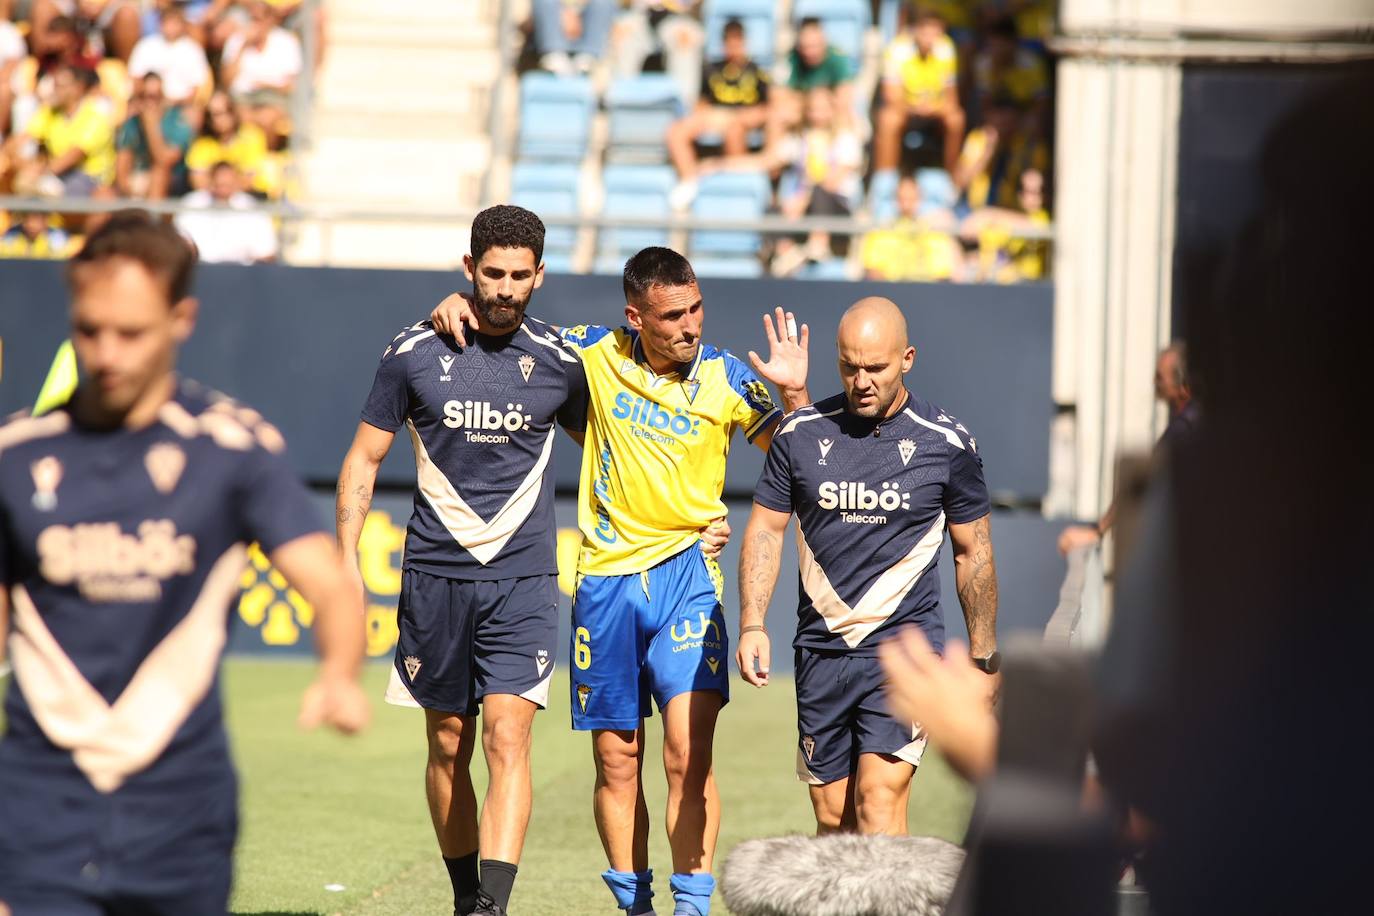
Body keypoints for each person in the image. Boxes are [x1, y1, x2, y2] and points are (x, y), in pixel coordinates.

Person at [0, 210, 369, 914]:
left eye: (131, 333)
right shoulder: (15, 456)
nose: (106, 354)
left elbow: (327, 583)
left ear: (182, 320)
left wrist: (339, 674)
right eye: (89, 329)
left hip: (180, 812)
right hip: (37, 807)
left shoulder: (231, 449)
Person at [429, 249, 811, 916]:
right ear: (636, 317)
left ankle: (691, 907)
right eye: (672, 316)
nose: (690, 325)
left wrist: (795, 395)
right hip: (605, 584)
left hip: (688, 578)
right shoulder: (593, 354)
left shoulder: (726, 376)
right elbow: (511, 322)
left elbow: (803, 460)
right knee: (617, 759)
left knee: (688, 754)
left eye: (695, 308)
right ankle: (634, 906)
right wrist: (456, 306)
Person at [334, 205, 601, 916]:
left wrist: (687, 518)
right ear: (468, 269)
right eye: (493, 273)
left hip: (524, 580)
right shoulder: (412, 352)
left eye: (520, 275)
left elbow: (615, 452)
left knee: (510, 737)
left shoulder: (562, 363)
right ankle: (463, 898)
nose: (506, 288)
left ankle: (493, 907)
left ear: (540, 275)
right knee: (448, 742)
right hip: (433, 580)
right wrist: (344, 559)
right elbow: (364, 458)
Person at [736, 296, 1000, 835]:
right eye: (849, 366)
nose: (861, 380)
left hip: (905, 650)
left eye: (875, 367)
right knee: (835, 819)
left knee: (879, 801)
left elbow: (974, 552)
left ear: (907, 358)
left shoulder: (947, 443)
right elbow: (765, 528)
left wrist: (983, 658)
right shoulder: (798, 434)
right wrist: (753, 622)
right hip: (821, 650)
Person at [1057, 341, 1195, 555]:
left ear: (1183, 388)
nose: (1154, 383)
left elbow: (1138, 481)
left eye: (1160, 378)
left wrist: (1098, 531)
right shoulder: (1191, 421)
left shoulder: (1184, 428)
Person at [665, 17, 768, 200]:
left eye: (738, 40)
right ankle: (690, 181)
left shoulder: (756, 72)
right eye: (730, 40)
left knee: (734, 130)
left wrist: (736, 117)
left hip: (739, 122)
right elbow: (702, 102)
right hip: (713, 117)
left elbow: (766, 108)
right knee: (676, 131)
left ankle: (736, 190)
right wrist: (706, 116)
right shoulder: (711, 69)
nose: (734, 46)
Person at [874, 8, 964, 175]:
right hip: (907, 110)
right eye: (925, 31)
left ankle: (952, 180)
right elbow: (891, 96)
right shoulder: (897, 49)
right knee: (888, 120)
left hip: (934, 110)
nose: (929, 38)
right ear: (915, 30)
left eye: (935, 32)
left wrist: (933, 108)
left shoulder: (946, 48)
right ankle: (884, 181)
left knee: (956, 119)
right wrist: (914, 107)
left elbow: (952, 98)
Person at [3, 64, 115, 197]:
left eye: (60, 86)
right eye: (54, 85)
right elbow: (17, 142)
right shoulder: (50, 112)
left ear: (77, 88)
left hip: (89, 178)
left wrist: (36, 171)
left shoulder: (95, 116)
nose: (54, 90)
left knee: (35, 186)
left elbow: (72, 156)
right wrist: (22, 163)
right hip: (58, 174)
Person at [860, 175, 963, 282]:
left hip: (926, 290)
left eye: (911, 199)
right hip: (891, 290)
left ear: (919, 198)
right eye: (902, 199)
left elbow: (942, 273)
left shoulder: (933, 232)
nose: (906, 205)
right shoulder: (882, 231)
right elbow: (874, 271)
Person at [220, 0, 301, 135]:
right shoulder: (237, 40)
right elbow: (226, 81)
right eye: (251, 19)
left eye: (258, 19)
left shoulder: (286, 42)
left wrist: (266, 85)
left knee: (267, 118)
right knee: (237, 116)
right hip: (241, 99)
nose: (254, 24)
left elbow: (291, 86)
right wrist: (243, 48)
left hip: (273, 97)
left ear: (270, 20)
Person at [174, 160, 277, 263]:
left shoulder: (252, 208)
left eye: (227, 185)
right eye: (219, 185)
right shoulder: (191, 203)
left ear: (236, 182)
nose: (223, 190)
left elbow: (266, 253)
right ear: (210, 181)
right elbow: (181, 246)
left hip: (242, 274)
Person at [770, 17, 853, 143]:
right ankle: (775, 158)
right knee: (777, 116)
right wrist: (812, 102)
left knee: (845, 119)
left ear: (824, 42)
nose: (810, 52)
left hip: (829, 111)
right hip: (802, 112)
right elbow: (777, 97)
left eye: (814, 46)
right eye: (805, 47)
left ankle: (841, 160)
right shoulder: (790, 58)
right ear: (798, 46)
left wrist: (819, 104)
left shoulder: (838, 58)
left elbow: (844, 100)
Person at [113, 72, 193, 199]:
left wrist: (151, 125)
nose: (150, 103)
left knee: (159, 174)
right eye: (145, 97)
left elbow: (165, 160)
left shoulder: (177, 120)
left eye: (154, 97)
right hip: (139, 178)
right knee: (105, 193)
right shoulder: (132, 123)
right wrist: (129, 188)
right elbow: (122, 166)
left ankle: (151, 218)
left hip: (173, 181)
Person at [185, 89, 273, 196]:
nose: (215, 119)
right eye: (210, 115)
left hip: (247, 197)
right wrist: (222, 189)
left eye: (220, 113)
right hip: (212, 198)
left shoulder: (251, 136)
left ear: (232, 112)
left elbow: (250, 180)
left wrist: (224, 187)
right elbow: (197, 181)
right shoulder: (202, 142)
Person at [127, 5, 212, 108]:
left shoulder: (193, 49)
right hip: (149, 104)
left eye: (175, 23)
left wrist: (177, 102)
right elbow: (135, 78)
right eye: (167, 22)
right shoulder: (145, 46)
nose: (171, 27)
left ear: (182, 25)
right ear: (160, 24)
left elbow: (198, 87)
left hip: (181, 106)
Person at [531, 0, 615, 76]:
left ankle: (587, 59)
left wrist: (576, 9)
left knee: (603, 2)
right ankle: (554, 56)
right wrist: (565, 10)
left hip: (588, 20)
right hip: (555, 18)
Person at [0, 210, 72, 258]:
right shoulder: (11, 236)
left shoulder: (56, 238)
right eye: (26, 218)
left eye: (36, 218)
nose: (30, 224)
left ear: (45, 220)